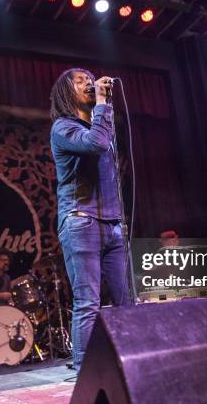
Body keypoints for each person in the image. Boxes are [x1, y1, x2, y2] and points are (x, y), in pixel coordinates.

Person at [49, 68, 131, 371]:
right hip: (81, 222)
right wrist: (102, 104)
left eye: (89, 79)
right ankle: (86, 371)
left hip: (112, 224)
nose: (89, 83)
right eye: (80, 81)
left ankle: (131, 360)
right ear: (66, 93)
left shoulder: (101, 125)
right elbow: (94, 144)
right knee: (88, 302)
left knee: (127, 301)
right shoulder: (63, 128)